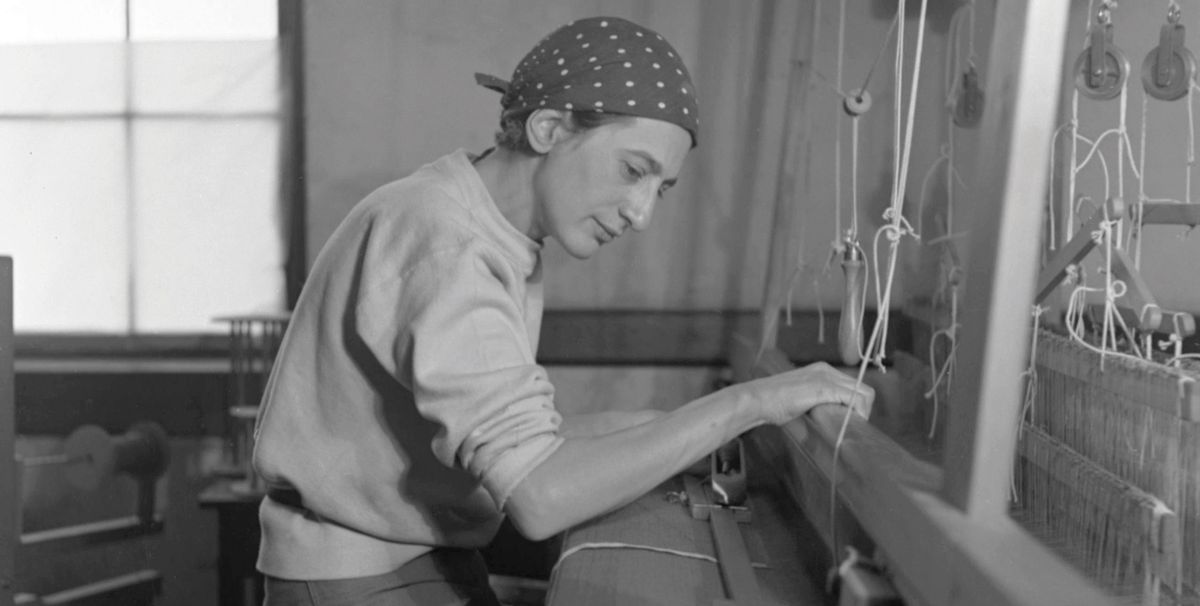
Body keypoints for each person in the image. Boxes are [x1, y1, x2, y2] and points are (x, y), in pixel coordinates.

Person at [252, 15, 873, 606]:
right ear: (548, 129)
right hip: (361, 583)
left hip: (402, 564)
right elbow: (541, 494)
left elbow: (523, 439)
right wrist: (748, 403)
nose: (641, 213)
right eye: (634, 170)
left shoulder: (474, 223)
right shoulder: (451, 249)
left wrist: (680, 428)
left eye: (661, 188)